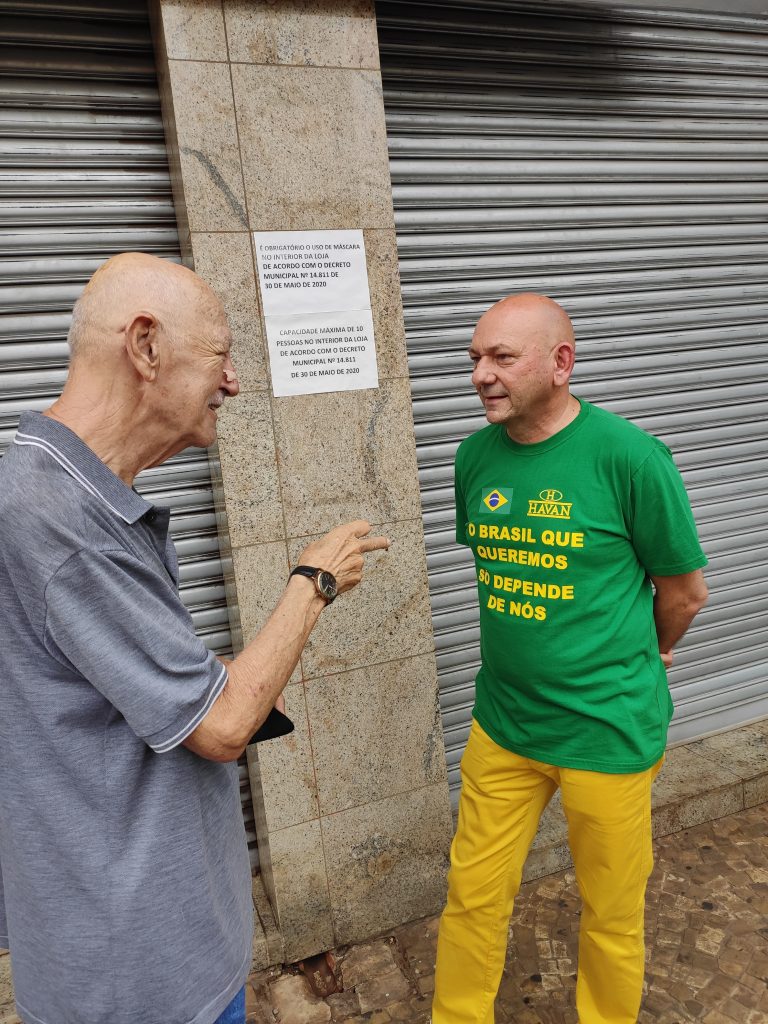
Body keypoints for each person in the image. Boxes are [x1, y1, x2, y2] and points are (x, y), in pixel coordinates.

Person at [0, 252, 389, 1024]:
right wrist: (312, 583)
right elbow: (220, 726)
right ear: (145, 346)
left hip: (137, 942)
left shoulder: (58, 492)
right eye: (221, 354)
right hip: (140, 975)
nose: (234, 382)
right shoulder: (59, 521)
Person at [432, 293, 708, 1024]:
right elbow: (510, 576)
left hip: (605, 732)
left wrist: (650, 654)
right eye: (474, 358)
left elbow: (683, 592)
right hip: (504, 727)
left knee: (611, 915)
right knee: (472, 897)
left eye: (501, 357)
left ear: (561, 363)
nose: (480, 375)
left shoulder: (630, 458)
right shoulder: (473, 457)